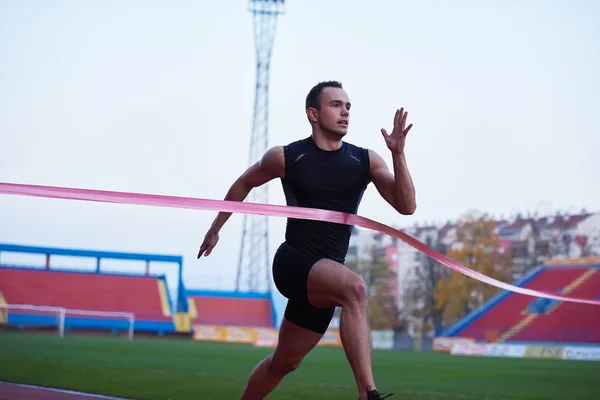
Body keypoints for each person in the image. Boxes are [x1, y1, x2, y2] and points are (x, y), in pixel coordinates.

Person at [197, 80, 416, 400]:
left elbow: (406, 206)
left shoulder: (365, 161)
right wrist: (217, 227)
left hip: (326, 278)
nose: (345, 112)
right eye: (336, 105)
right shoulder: (287, 157)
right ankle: (368, 394)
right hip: (294, 262)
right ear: (313, 114)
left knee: (283, 363)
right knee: (356, 290)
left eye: (348, 106)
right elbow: (244, 182)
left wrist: (397, 154)